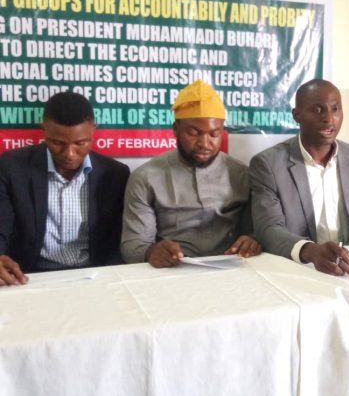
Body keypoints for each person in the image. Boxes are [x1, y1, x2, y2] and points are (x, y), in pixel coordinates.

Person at [249, 79, 349, 276]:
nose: (329, 119)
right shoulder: (268, 164)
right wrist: (311, 251)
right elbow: (268, 230)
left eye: (335, 109)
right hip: (297, 270)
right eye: (318, 110)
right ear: (296, 115)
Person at [121, 80, 261, 268]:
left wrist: (253, 240)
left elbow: (258, 232)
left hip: (232, 269)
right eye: (194, 133)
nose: (204, 143)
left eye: (214, 134)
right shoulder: (146, 178)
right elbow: (132, 247)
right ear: (175, 130)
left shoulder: (242, 174)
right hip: (172, 270)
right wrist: (151, 252)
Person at [0, 91, 130, 286]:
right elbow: (2, 223)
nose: (69, 153)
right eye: (57, 143)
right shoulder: (13, 167)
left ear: (93, 130)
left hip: (96, 276)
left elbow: (117, 238)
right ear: (44, 129)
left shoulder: (115, 174)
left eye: (80, 143)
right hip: (30, 276)